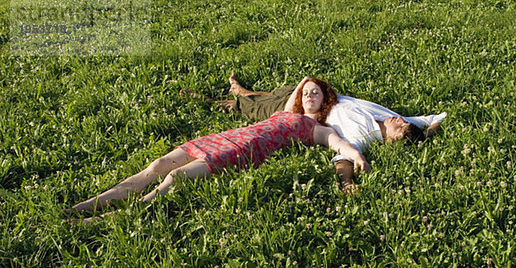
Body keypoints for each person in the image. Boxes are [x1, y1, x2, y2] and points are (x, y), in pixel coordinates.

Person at [70, 78, 369, 222]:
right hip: (225, 136)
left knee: (174, 179)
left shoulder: (315, 129)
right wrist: (308, 84)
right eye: (306, 92)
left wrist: (355, 156)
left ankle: (106, 219)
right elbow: (303, 83)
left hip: (242, 149)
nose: (308, 94)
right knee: (158, 164)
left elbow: (338, 144)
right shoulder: (288, 110)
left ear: (326, 99)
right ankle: (90, 204)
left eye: (316, 93)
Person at [181, 74, 447, 192]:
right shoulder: (393, 118)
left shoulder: (362, 136)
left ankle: (220, 101)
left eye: (398, 126)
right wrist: (425, 137)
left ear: (391, 139)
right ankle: (243, 92)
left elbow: (342, 159)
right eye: (402, 121)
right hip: (318, 96)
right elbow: (434, 120)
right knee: (279, 94)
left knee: (259, 108)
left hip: (302, 114)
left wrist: (347, 183)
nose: (398, 119)